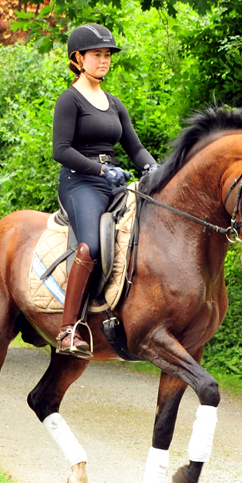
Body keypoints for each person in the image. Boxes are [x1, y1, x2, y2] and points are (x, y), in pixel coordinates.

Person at [52, 23, 157, 356]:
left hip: (114, 181)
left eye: (107, 55)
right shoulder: (69, 100)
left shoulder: (113, 103)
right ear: (78, 58)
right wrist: (100, 169)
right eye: (97, 54)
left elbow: (135, 148)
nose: (104, 60)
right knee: (92, 246)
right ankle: (68, 330)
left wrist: (155, 169)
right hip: (80, 181)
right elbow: (61, 150)